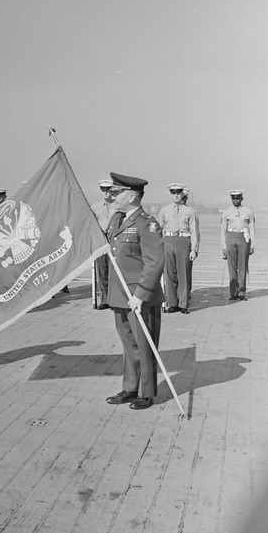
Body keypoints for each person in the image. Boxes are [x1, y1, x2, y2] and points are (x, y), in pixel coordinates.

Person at [104, 173, 165, 410]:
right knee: (128, 343)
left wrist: (141, 295)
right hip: (120, 294)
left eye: (116, 192)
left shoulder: (147, 223)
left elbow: (154, 262)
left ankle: (147, 393)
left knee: (144, 344)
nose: (112, 196)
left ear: (131, 196)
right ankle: (130, 388)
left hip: (140, 297)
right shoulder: (116, 220)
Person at [157, 183, 199, 314]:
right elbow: (158, 229)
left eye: (178, 193)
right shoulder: (164, 211)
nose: (175, 195)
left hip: (183, 241)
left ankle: (183, 304)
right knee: (169, 274)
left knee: (183, 273)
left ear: (182, 194)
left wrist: (194, 249)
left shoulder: (190, 211)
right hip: (168, 242)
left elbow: (194, 231)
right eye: (173, 193)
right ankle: (172, 303)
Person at [221, 189, 255, 301]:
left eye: (237, 198)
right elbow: (223, 230)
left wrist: (252, 244)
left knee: (242, 266)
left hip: (243, 237)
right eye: (233, 198)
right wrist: (224, 246)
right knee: (232, 266)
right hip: (230, 237)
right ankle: (233, 293)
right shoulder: (226, 212)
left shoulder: (248, 212)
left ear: (241, 199)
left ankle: (242, 292)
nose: (235, 200)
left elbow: (252, 228)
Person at [91, 179, 115, 309]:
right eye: (103, 189)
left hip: (114, 241)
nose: (106, 192)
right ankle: (105, 299)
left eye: (108, 189)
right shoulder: (95, 208)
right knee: (102, 271)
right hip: (101, 241)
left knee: (114, 271)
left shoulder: (118, 206)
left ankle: (114, 299)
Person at [181, 188, 199, 299]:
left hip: (186, 244)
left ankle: (186, 294)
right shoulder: (169, 211)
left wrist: (195, 249)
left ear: (186, 198)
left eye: (184, 197)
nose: (182, 199)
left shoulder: (191, 212)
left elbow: (196, 232)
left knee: (186, 272)